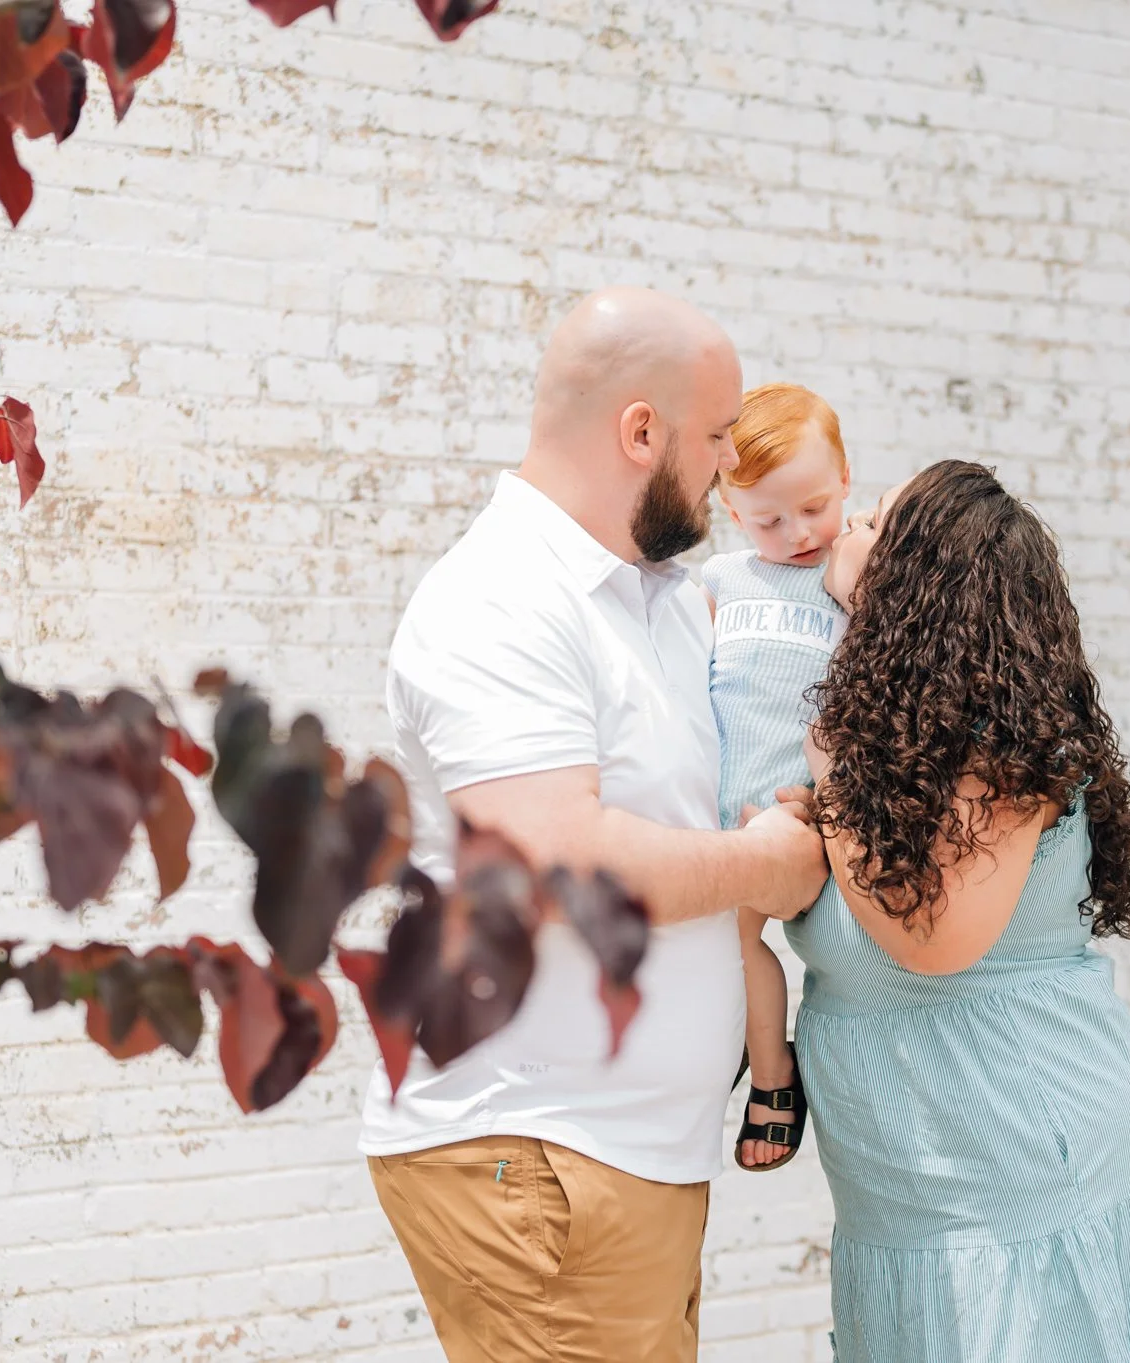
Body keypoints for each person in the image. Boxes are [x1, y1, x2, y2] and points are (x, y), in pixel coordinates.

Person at [361, 287, 830, 1363]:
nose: (729, 465)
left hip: (614, 1162)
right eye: (717, 436)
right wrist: (761, 862)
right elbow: (557, 864)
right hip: (538, 1161)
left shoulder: (653, 596)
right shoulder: (498, 599)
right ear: (641, 432)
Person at [785, 460, 1130, 1363]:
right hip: (914, 1204)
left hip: (1025, 1177)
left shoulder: (1009, 750)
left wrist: (829, 774)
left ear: (920, 583)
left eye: (879, 520)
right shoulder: (895, 749)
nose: (851, 520)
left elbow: (934, 939)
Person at [694, 382, 852, 1172]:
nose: (796, 533)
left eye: (814, 507)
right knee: (709, 941)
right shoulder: (723, 580)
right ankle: (735, 1046)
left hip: (788, 809)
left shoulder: (852, 582)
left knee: (735, 933)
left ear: (846, 480)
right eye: (768, 520)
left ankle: (771, 1073)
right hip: (712, 806)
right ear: (731, 510)